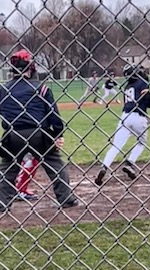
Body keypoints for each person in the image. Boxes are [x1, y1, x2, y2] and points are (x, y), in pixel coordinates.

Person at [0, 49, 78, 212]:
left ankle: (2, 203)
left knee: (8, 168)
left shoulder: (3, 90)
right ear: (31, 68)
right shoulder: (40, 88)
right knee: (54, 164)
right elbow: (53, 114)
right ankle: (66, 199)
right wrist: (58, 134)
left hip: (12, 134)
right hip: (38, 134)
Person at [95, 64, 150, 185]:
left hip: (124, 117)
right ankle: (130, 163)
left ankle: (104, 166)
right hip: (138, 117)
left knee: (116, 145)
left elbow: (142, 100)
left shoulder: (127, 86)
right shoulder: (142, 82)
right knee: (142, 142)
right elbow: (147, 98)